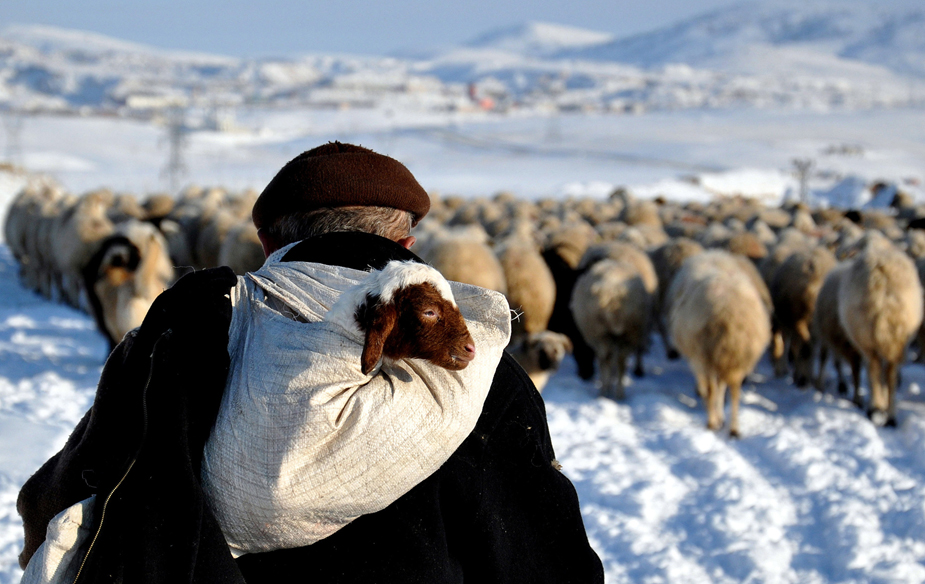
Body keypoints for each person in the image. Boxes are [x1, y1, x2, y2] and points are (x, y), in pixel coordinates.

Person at [18, 141, 604, 583]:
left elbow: (68, 495)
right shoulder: (470, 366)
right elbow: (541, 549)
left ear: (269, 243)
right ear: (407, 245)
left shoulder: (183, 333)